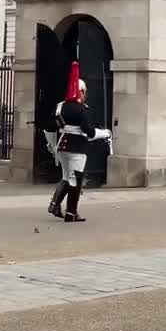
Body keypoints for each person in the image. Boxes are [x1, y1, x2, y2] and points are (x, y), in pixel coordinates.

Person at [47, 61, 112, 223]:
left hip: (61, 147)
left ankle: (55, 204)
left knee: (66, 177)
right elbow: (89, 133)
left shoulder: (59, 107)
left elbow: (49, 129)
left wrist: (52, 145)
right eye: (84, 92)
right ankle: (71, 213)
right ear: (81, 91)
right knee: (75, 180)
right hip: (77, 148)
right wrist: (104, 133)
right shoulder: (82, 109)